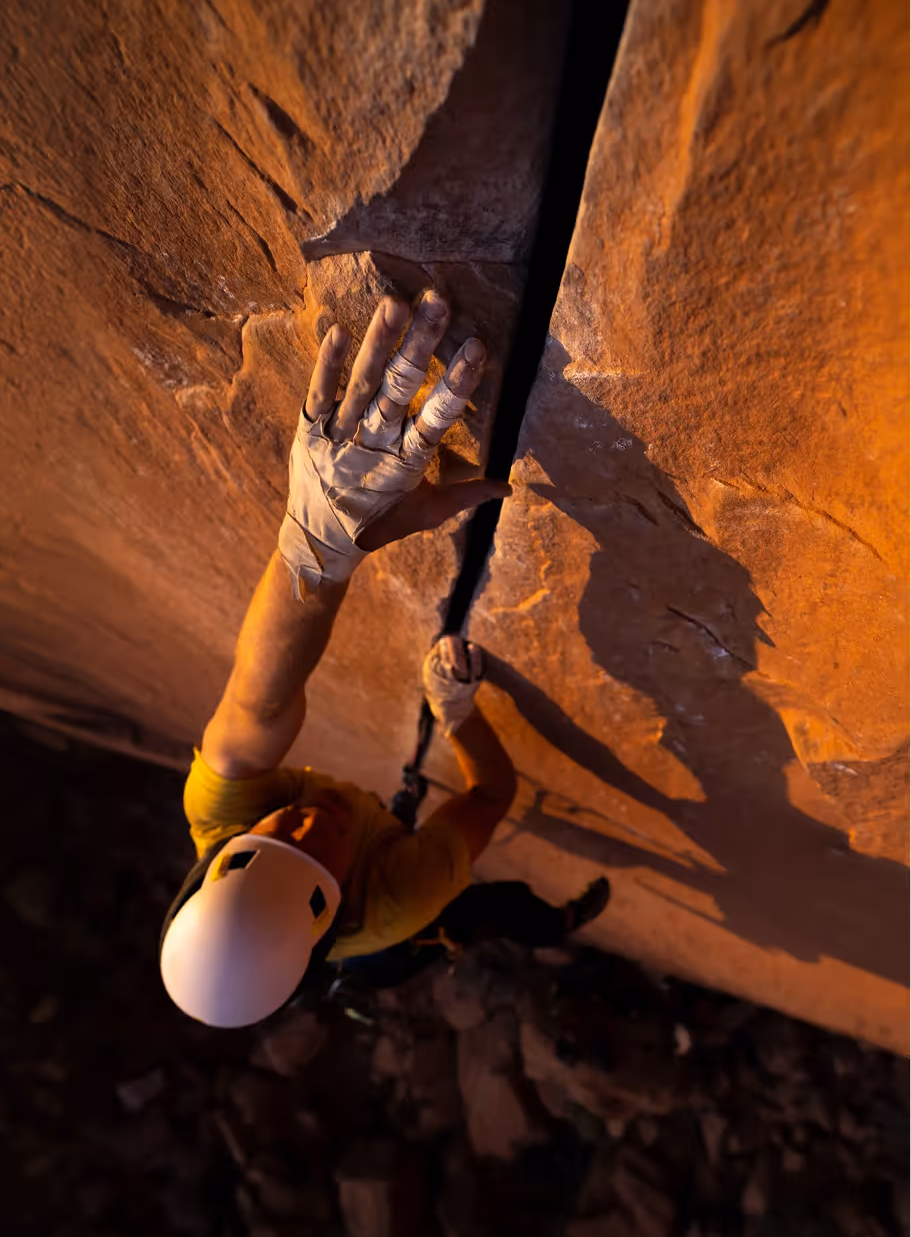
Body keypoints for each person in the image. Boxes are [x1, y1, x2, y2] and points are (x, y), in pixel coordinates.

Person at [159, 290, 607, 1029]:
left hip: (328, 883)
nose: (309, 821)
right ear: (333, 901)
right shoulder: (396, 898)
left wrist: (315, 546)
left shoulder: (220, 819)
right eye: (317, 855)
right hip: (403, 920)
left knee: (379, 825)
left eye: (277, 835)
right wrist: (456, 717)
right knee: (489, 912)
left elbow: (258, 702)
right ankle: (555, 930)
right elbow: (491, 794)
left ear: (220, 861)